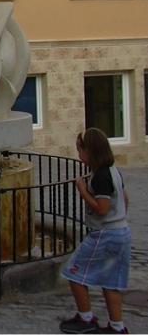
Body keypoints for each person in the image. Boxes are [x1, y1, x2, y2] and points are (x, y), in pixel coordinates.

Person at [59, 128, 131, 335]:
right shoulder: (114, 171)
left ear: (90, 152)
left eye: (80, 150)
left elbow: (102, 209)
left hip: (105, 234)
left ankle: (85, 318)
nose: (78, 155)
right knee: (111, 282)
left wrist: (82, 191)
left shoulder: (100, 177)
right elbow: (125, 201)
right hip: (121, 231)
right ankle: (117, 327)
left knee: (74, 272)